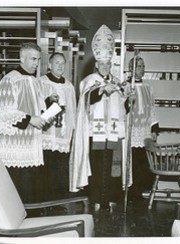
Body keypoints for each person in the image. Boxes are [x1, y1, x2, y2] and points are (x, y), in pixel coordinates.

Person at [69, 25, 127, 212]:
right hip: (96, 131)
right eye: (101, 63)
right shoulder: (89, 81)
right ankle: (95, 199)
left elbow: (123, 108)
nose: (104, 66)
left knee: (112, 166)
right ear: (96, 64)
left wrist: (129, 100)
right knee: (97, 165)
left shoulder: (117, 82)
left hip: (113, 132)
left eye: (107, 63)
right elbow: (87, 99)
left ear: (111, 63)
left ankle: (110, 199)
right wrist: (102, 90)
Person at [0, 42, 52, 204]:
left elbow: (37, 108)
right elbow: (4, 111)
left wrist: (48, 112)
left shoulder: (35, 81)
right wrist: (31, 119)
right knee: (15, 190)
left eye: (38, 60)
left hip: (31, 144)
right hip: (15, 145)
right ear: (21, 58)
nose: (36, 64)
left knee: (29, 188)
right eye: (33, 59)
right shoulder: (10, 80)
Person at [39, 52, 76, 203]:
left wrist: (71, 130)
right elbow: (36, 106)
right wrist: (48, 100)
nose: (60, 66)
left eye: (62, 63)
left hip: (62, 135)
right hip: (46, 134)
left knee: (60, 169)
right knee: (46, 169)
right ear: (49, 65)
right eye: (56, 63)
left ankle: (58, 202)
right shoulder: (41, 82)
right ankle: (44, 201)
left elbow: (72, 109)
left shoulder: (69, 86)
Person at [126, 55, 159, 201]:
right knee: (131, 163)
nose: (142, 69)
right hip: (131, 132)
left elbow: (152, 109)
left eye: (143, 66)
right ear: (131, 69)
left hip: (144, 131)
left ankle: (139, 192)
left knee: (142, 164)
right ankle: (130, 191)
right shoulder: (125, 87)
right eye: (139, 66)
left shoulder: (148, 88)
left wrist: (154, 130)